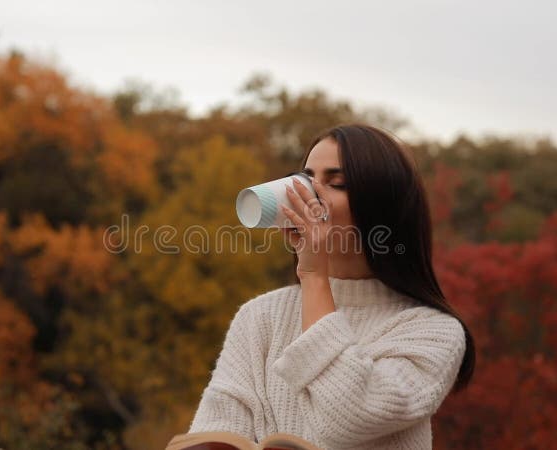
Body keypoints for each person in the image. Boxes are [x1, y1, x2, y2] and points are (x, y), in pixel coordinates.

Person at [187, 123, 476, 449]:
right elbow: (217, 434)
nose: (309, 195)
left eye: (335, 183)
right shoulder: (260, 318)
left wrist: (314, 277)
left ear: (382, 206)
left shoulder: (432, 332)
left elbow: (349, 416)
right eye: (307, 180)